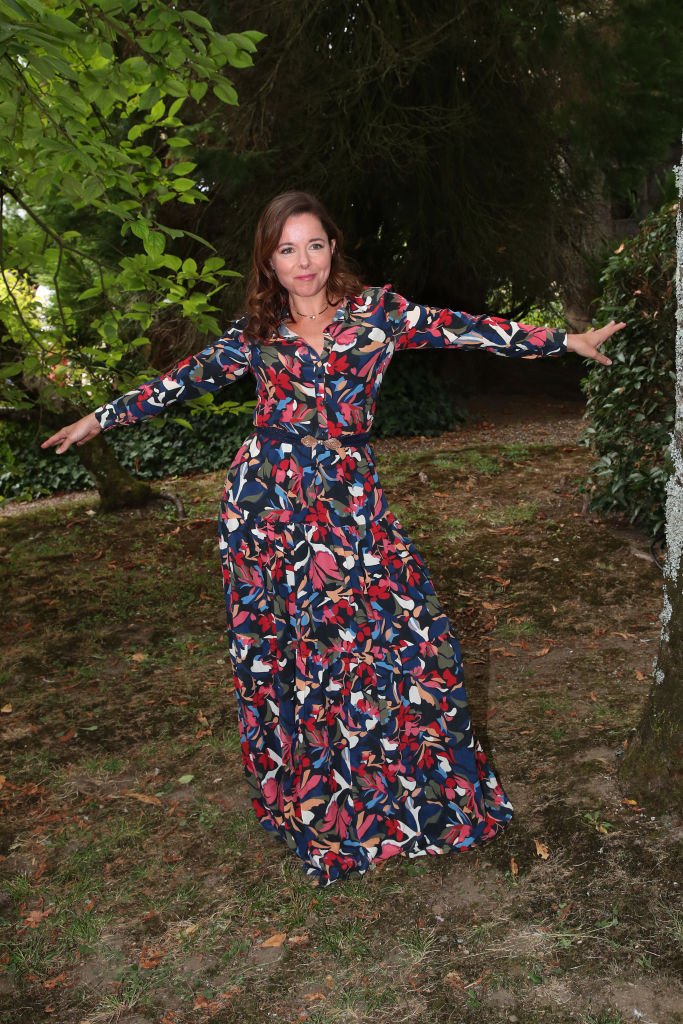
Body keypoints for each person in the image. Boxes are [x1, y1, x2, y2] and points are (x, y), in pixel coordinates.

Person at [42, 190, 625, 887]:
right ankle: (320, 810)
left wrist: (564, 341)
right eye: (286, 249)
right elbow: (183, 380)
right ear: (268, 261)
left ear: (332, 247)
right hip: (266, 508)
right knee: (294, 656)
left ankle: (417, 799)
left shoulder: (377, 312)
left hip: (350, 502)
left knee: (408, 635)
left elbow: (464, 329)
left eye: (313, 244)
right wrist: (99, 420)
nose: (303, 261)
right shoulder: (256, 330)